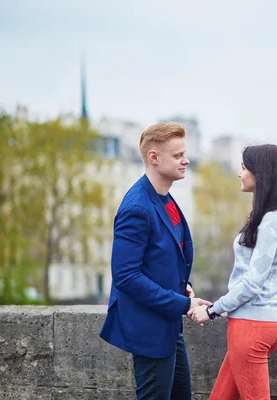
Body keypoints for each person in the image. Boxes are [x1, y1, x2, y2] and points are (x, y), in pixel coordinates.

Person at [100, 122, 211, 400]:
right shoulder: (137, 208)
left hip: (168, 325)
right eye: (177, 156)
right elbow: (125, 277)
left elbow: (164, 254)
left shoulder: (165, 199)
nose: (186, 160)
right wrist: (183, 304)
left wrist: (182, 286)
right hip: (149, 331)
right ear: (154, 158)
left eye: (184, 153)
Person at [189, 144, 277, 400]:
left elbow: (252, 283)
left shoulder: (271, 221)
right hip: (269, 322)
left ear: (261, 174)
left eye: (244, 167)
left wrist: (212, 310)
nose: (240, 173)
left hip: (252, 325)